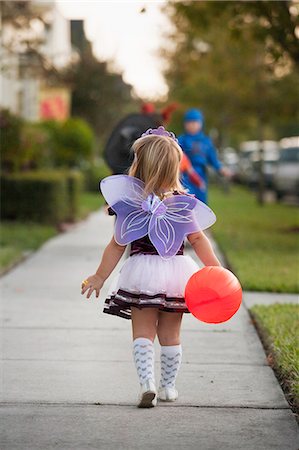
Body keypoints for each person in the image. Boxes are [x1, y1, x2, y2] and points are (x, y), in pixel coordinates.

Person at [81, 126, 221, 408]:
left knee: (142, 333)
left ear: (138, 164)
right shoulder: (183, 205)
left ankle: (148, 384)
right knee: (171, 334)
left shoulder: (130, 205)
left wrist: (99, 276)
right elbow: (199, 240)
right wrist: (216, 271)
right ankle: (168, 386)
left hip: (140, 274)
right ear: (174, 168)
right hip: (176, 275)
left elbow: (117, 245)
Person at [178, 108, 230, 204]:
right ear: (185, 124)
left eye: (195, 122)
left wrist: (221, 169)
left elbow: (213, 159)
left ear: (201, 123)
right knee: (187, 201)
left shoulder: (206, 141)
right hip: (185, 175)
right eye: (190, 122)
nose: (192, 125)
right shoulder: (181, 140)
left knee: (201, 202)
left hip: (201, 174)